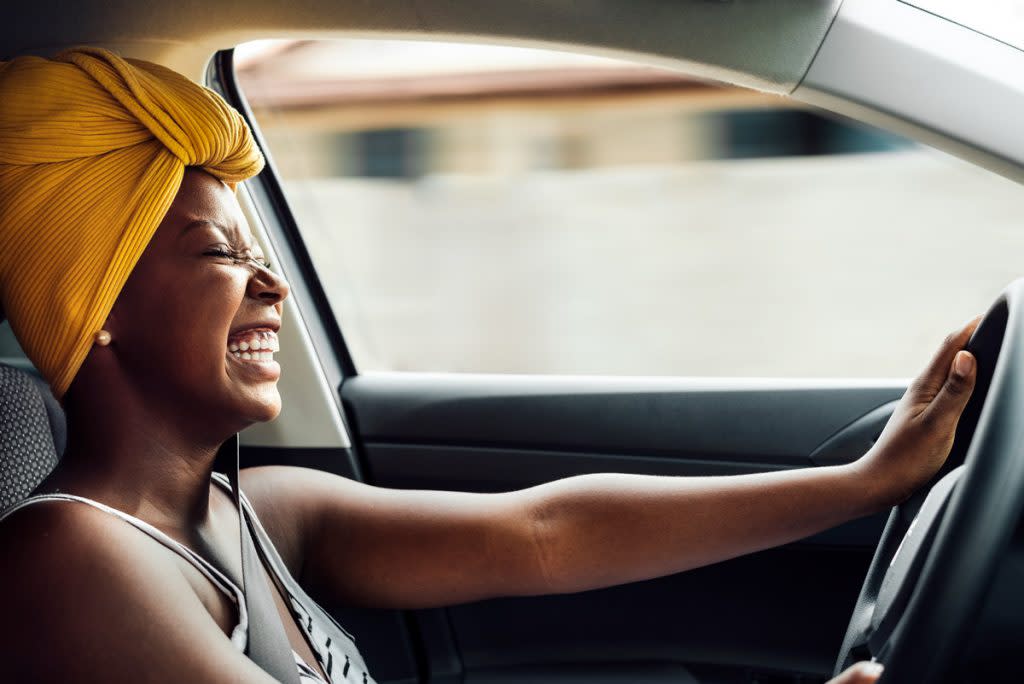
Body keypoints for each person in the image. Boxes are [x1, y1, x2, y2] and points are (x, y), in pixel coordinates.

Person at [0, 47, 977, 684]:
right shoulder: (70, 564)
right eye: (222, 256)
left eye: (262, 257)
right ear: (100, 304)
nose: (272, 288)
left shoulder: (258, 513)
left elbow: (544, 535)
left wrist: (860, 487)